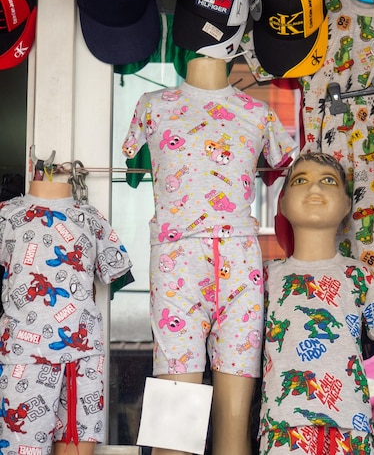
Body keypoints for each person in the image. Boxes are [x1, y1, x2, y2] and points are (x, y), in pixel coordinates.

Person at [121, 56, 299, 455]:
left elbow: (283, 164)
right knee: (174, 426)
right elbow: (132, 153)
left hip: (241, 264)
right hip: (176, 259)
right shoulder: (153, 104)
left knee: (233, 429)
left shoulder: (258, 112)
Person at [260, 152, 374, 454]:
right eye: (301, 181)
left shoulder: (358, 276)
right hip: (283, 427)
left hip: (350, 425)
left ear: (346, 204)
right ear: (284, 203)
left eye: (327, 181)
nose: (314, 189)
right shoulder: (265, 278)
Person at [0, 178, 133, 455]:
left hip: (83, 359)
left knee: (78, 444)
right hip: (24, 355)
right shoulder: (5, 215)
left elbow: (114, 269)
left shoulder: (92, 218)